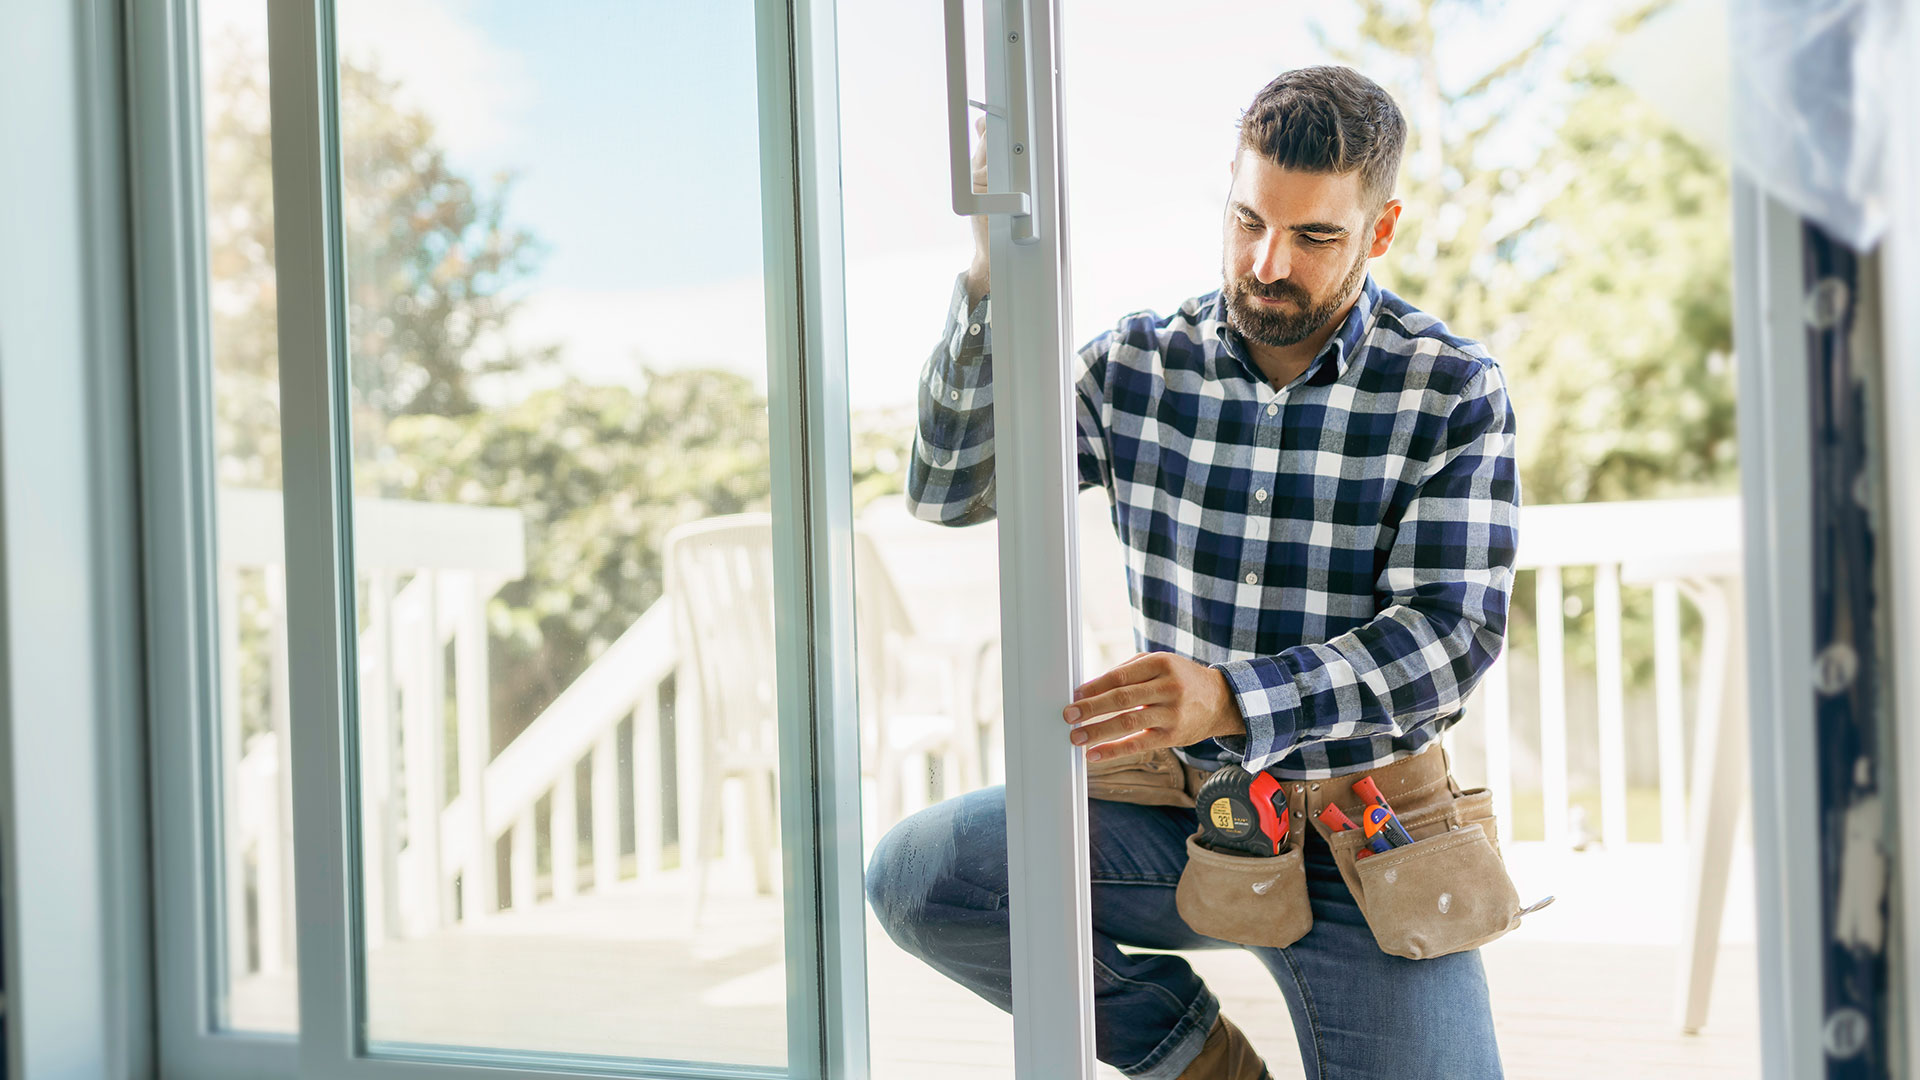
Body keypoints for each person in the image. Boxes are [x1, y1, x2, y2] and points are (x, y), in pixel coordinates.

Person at [864, 65, 1518, 1080]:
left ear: (1379, 232)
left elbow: (1449, 636)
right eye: (1249, 220)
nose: (1268, 263)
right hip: (1185, 818)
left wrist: (1230, 696)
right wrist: (990, 277)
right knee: (923, 876)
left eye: (1314, 237)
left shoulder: (1450, 386)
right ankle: (1196, 1061)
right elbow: (951, 488)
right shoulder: (1135, 365)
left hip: (1366, 839)